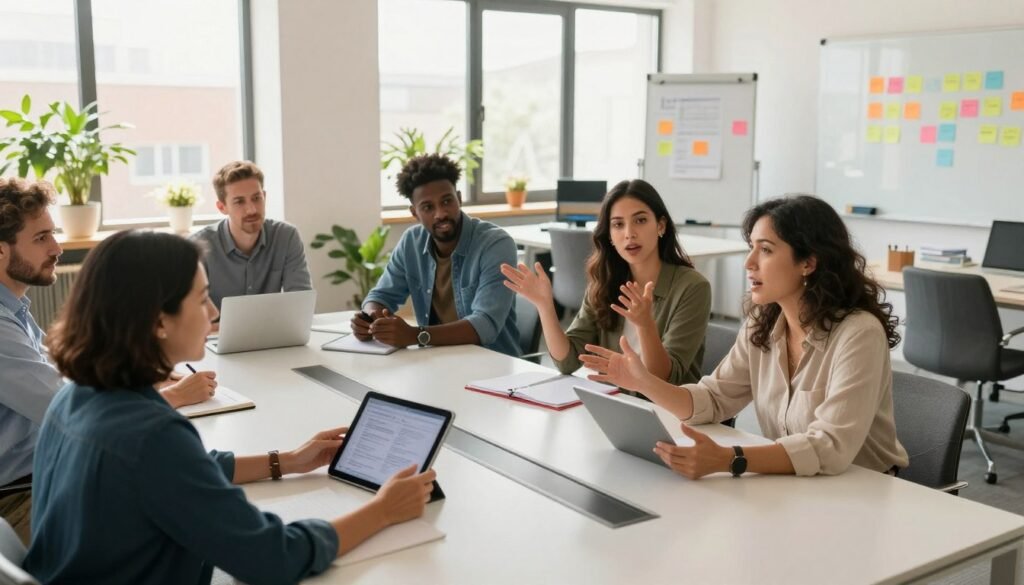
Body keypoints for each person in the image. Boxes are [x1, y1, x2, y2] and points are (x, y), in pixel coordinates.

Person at [23, 231, 437, 584]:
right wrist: (382, 511)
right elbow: (274, 558)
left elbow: (187, 472)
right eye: (202, 299)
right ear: (158, 320)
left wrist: (287, 460)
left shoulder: (78, 394)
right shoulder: (151, 436)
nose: (214, 312)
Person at [580, 195, 909, 479]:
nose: (749, 263)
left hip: (864, 492)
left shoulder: (858, 334)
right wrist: (644, 383)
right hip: (798, 484)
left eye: (765, 250)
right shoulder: (762, 324)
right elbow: (714, 399)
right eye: (751, 248)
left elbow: (830, 447)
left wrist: (730, 459)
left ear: (808, 262)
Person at [0, 179, 213, 546]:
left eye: (53, 234)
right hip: (21, 495)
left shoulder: (14, 309)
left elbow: (68, 381)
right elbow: (71, 413)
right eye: (41, 239)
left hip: (52, 470)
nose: (57, 248)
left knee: (179, 486)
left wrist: (136, 380)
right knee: (176, 514)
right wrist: (173, 397)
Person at [501, 179, 710, 384]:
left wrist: (645, 325)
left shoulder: (692, 287)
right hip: (614, 404)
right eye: (618, 224)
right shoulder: (605, 281)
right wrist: (545, 306)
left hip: (667, 412)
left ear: (661, 225)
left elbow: (663, 379)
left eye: (640, 220)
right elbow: (568, 361)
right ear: (609, 235)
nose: (629, 234)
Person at [352, 154, 519, 356]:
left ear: (459, 198)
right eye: (428, 207)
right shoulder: (411, 242)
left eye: (447, 201)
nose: (440, 213)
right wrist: (370, 319)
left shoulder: (495, 244)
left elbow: (485, 325)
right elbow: (380, 296)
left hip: (493, 366)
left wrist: (416, 335)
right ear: (415, 213)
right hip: (436, 360)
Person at [191, 160, 311, 311]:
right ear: (222, 207)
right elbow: (190, 317)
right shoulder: (199, 246)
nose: (251, 210)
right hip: (219, 335)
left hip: (272, 334)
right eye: (239, 202)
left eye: (256, 198)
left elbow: (302, 306)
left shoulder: (286, 236)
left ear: (264, 197)